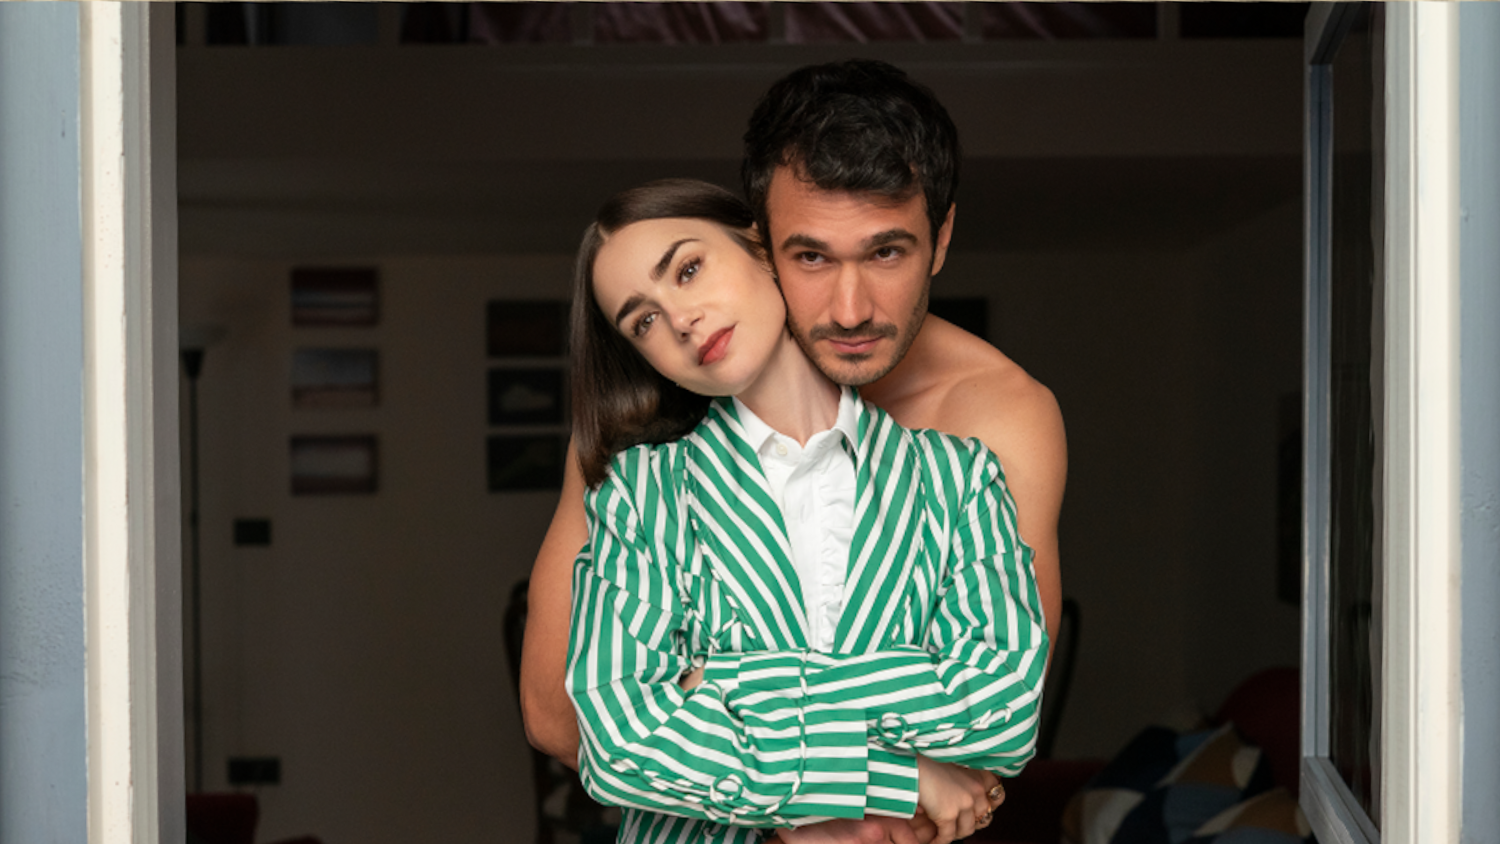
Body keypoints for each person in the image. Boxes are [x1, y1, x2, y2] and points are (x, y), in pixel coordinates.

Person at [522, 59, 1067, 843]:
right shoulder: (643, 450)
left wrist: (727, 683)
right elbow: (569, 717)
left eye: (887, 253)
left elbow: (993, 720)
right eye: (811, 257)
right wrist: (837, 793)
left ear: (941, 239)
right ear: (765, 244)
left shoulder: (989, 429)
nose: (850, 310)